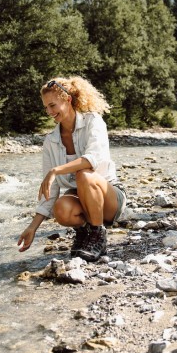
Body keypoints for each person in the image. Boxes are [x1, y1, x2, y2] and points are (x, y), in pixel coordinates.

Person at [16, 77, 127, 262]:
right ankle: (85, 233)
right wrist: (32, 228)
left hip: (109, 197)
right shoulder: (51, 141)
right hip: (79, 199)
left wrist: (56, 170)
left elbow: (91, 159)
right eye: (46, 108)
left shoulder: (93, 121)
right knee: (61, 208)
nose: (49, 112)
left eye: (52, 105)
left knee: (83, 174)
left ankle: (98, 235)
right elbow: (49, 190)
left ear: (67, 99)